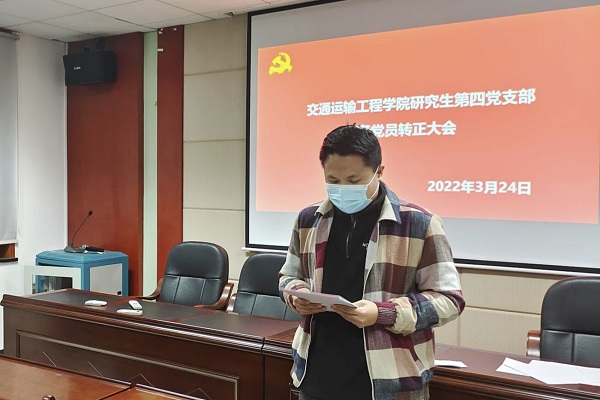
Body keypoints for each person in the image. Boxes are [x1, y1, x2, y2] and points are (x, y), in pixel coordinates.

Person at [279, 124, 465, 400]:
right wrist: (297, 296)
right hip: (317, 373)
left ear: (379, 171)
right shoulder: (309, 220)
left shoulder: (418, 224)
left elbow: (449, 300)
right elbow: (288, 277)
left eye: (354, 181)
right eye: (333, 180)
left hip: (387, 381)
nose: (343, 189)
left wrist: (383, 313)